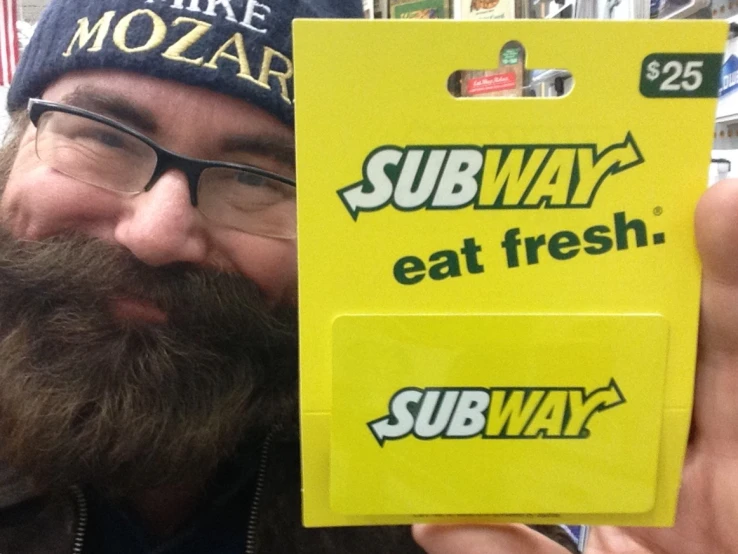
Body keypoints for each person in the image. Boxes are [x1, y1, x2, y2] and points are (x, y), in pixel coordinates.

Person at [0, 1, 733, 553]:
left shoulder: (446, 486)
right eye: (97, 137)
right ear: (15, 148)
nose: (159, 233)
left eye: (257, 178)